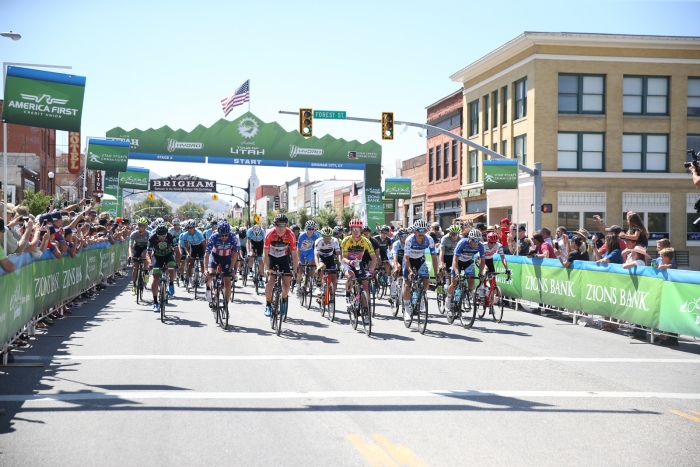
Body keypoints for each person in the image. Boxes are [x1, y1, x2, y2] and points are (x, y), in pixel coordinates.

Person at [400, 220, 438, 322]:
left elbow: (434, 257)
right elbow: (406, 258)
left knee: (426, 280)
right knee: (408, 284)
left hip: (420, 259)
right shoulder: (409, 240)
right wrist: (410, 271)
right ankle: (407, 309)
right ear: (415, 231)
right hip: (409, 261)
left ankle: (421, 296)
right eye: (419, 230)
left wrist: (436, 273)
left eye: (424, 230)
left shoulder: (429, 239)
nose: (421, 233)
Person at [263, 214, 298, 318]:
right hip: (272, 257)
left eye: (284, 225)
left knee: (287, 282)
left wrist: (295, 271)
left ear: (286, 225)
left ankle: (283, 301)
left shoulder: (290, 234)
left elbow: (294, 254)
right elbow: (265, 253)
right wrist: (266, 268)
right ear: (274, 225)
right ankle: (268, 304)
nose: (281, 228)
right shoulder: (269, 234)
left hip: (284, 258)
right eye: (279, 225)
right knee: (270, 281)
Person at [340, 218, 376, 311]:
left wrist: (371, 271)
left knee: (365, 284)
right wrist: (349, 262)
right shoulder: (346, 240)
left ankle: (365, 309)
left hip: (357, 263)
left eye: (357, 229)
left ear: (361, 230)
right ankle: (348, 296)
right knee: (351, 275)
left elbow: (374, 258)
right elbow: (343, 258)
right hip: (347, 263)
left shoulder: (366, 241)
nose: (355, 231)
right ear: (351, 230)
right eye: (353, 229)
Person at [446, 228, 485, 312]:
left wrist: (481, 273)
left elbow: (482, 261)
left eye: (478, 240)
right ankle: (448, 300)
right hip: (458, 262)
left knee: (471, 282)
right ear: (469, 238)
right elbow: (455, 260)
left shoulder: (480, 245)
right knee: (454, 284)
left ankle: (467, 298)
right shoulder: (463, 243)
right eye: (474, 240)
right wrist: (457, 273)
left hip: (468, 262)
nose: (476, 242)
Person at [204, 221, 239, 305]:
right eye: (222, 235)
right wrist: (205, 269)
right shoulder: (213, 237)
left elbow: (235, 254)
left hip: (226, 257)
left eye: (226, 235)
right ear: (218, 233)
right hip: (215, 256)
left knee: (227, 281)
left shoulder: (233, 237)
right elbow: (207, 254)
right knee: (210, 274)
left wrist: (231, 268)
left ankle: (226, 304)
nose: (224, 237)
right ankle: (208, 288)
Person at [148, 222, 177, 313]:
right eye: (159, 237)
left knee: (171, 268)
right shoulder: (152, 238)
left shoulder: (171, 237)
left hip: (169, 255)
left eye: (164, 236)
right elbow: (148, 253)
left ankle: (171, 283)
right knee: (155, 279)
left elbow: (177, 251)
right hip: (157, 257)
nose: (162, 238)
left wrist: (178, 263)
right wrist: (149, 263)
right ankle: (155, 302)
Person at [314, 226, 342, 304]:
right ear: (322, 236)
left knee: (333, 278)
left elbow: (338, 253)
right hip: (321, 257)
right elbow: (316, 255)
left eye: (329, 237)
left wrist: (340, 264)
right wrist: (317, 266)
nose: (327, 239)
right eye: (325, 237)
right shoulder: (318, 241)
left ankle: (332, 294)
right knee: (322, 267)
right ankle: (319, 285)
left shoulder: (335, 240)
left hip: (330, 258)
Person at [296, 220, 321, 296]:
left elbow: (317, 249)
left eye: (312, 229)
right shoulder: (302, 236)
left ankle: (310, 279)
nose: (310, 231)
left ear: (314, 230)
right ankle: (297, 287)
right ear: (306, 229)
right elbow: (298, 249)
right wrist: (298, 259)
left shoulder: (315, 236)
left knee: (313, 265)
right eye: (309, 229)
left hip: (310, 252)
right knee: (300, 270)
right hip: (302, 253)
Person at [180, 220, 206, 286]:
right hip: (193, 248)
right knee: (190, 264)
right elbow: (186, 246)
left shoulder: (199, 233)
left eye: (191, 228)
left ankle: (203, 277)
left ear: (194, 227)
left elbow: (204, 244)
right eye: (188, 228)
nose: (189, 229)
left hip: (201, 248)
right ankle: (190, 280)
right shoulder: (185, 235)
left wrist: (205, 253)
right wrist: (188, 253)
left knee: (202, 263)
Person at [129, 218, 151, 295]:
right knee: (135, 268)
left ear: (145, 227)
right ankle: (134, 286)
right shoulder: (134, 234)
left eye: (142, 226)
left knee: (144, 255)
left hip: (145, 248)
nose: (140, 227)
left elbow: (150, 246)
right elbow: (130, 246)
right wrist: (130, 255)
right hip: (137, 248)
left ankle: (146, 273)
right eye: (139, 225)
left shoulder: (149, 234)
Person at [390, 228, 408, 305]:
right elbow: (395, 257)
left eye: (406, 235)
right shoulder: (396, 244)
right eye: (402, 236)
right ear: (399, 237)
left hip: (404, 260)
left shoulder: (409, 243)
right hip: (394, 258)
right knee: (398, 267)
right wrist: (396, 268)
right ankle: (393, 289)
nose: (404, 237)